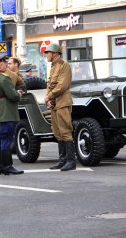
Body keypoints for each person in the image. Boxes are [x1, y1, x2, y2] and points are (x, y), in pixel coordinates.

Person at [0, 54, 24, 175]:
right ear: (1, 65)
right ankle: (7, 165)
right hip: (6, 112)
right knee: (6, 139)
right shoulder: (4, 78)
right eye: (6, 64)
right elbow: (13, 96)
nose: (7, 66)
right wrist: (19, 94)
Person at [43, 43, 76, 171]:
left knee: (65, 131)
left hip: (63, 103)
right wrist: (49, 99)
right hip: (54, 103)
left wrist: (49, 96)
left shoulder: (64, 65)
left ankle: (70, 161)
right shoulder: (53, 66)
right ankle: (62, 160)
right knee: (57, 132)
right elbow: (50, 85)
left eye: (48, 52)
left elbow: (62, 85)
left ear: (55, 53)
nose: (46, 55)